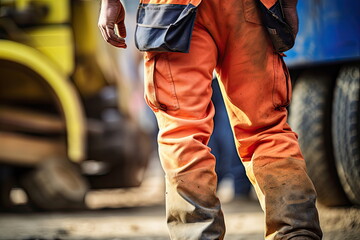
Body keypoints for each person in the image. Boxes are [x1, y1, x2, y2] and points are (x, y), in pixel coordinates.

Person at [98, 0, 323, 239]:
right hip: (249, 7)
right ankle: (295, 231)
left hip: (173, 9)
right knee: (265, 129)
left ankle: (198, 233)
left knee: (183, 132)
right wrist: (287, 5)